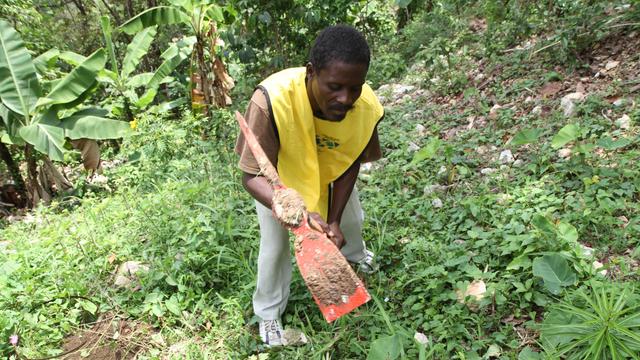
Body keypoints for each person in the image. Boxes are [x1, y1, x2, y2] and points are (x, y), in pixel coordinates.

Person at [235, 24, 384, 347]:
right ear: (312, 72)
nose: (345, 99)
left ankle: (358, 258)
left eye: (354, 87)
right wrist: (298, 215)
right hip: (280, 184)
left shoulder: (366, 108)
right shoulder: (270, 100)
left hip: (330, 172)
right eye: (334, 86)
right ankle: (269, 315)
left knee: (351, 221)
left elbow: (351, 161)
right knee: (275, 249)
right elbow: (251, 176)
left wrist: (332, 218)